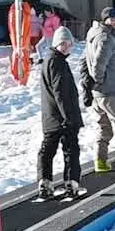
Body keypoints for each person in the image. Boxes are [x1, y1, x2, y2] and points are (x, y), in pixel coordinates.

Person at [82, 7, 115, 173]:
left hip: (99, 92)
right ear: (105, 20)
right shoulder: (107, 38)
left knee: (104, 128)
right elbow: (99, 63)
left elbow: (84, 62)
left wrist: (91, 85)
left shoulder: (93, 35)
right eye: (112, 18)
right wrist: (99, 80)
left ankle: (100, 161)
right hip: (111, 90)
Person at [37, 26, 82, 199]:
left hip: (51, 115)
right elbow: (60, 92)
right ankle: (71, 183)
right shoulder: (58, 62)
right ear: (56, 44)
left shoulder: (49, 61)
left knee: (48, 149)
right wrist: (68, 116)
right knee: (70, 149)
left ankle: (45, 182)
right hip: (62, 116)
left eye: (69, 44)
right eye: (63, 44)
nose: (66, 47)